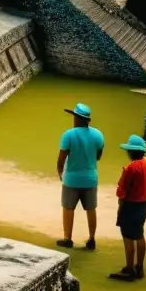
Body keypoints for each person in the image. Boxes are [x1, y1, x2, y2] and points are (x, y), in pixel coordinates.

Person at [56, 102, 105, 250]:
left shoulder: (68, 135)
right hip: (90, 178)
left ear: (76, 118)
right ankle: (91, 239)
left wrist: (60, 172)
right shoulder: (98, 135)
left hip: (71, 179)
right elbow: (98, 156)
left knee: (68, 208)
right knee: (91, 209)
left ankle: (67, 238)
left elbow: (61, 158)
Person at [109, 135, 146, 282]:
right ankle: (139, 266)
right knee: (139, 234)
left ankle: (129, 269)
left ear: (130, 152)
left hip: (130, 205)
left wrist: (120, 209)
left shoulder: (130, 168)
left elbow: (122, 191)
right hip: (144, 204)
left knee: (128, 237)